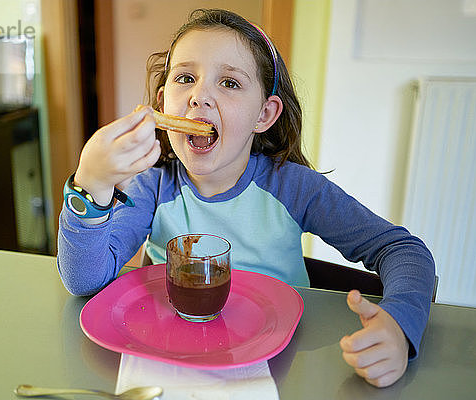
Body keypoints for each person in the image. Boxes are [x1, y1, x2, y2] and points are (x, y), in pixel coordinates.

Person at [57, 9, 435, 388]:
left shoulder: (294, 188)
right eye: (186, 78)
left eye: (230, 83)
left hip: (278, 368)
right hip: (167, 362)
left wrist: (400, 324)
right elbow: (83, 280)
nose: (199, 96)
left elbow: (403, 250)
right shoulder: (151, 187)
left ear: (264, 114)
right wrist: (92, 188)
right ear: (162, 104)